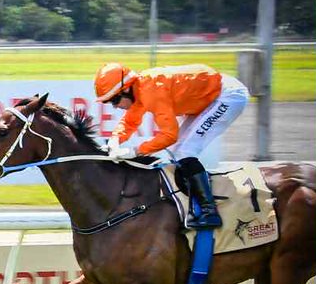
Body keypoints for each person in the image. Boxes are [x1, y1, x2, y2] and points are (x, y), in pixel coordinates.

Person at [94, 62, 249, 229]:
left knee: (185, 151)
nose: (115, 106)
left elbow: (169, 135)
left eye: (114, 100)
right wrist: (114, 141)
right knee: (177, 153)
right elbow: (130, 121)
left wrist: (136, 151)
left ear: (126, 89)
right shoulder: (139, 88)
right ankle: (193, 205)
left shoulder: (151, 92)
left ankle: (209, 212)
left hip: (227, 96)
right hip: (209, 96)